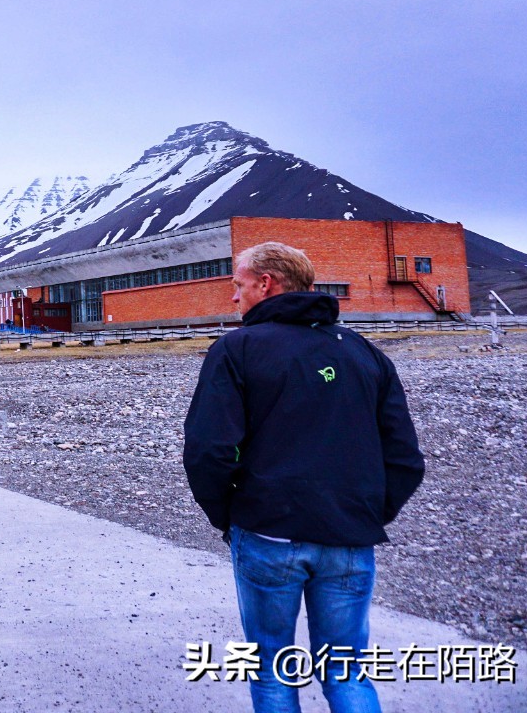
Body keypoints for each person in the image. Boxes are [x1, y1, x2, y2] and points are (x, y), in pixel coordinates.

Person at [183, 242, 425, 713]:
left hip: (268, 532)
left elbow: (208, 451)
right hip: (350, 538)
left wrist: (227, 516)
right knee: (348, 671)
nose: (234, 297)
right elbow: (406, 458)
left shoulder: (237, 349)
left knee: (273, 672)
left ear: (265, 284)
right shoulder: (364, 353)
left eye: (238, 285)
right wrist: (364, 513)